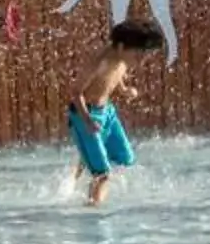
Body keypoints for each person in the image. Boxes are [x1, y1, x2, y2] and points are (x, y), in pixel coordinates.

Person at [66, 19, 165, 205]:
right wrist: (87, 121)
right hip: (85, 116)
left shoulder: (122, 58)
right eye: (138, 54)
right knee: (103, 174)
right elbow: (76, 92)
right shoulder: (99, 62)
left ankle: (86, 157)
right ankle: (93, 211)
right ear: (120, 47)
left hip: (107, 113)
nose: (141, 59)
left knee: (125, 160)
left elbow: (116, 76)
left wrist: (124, 89)